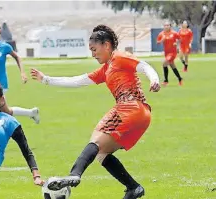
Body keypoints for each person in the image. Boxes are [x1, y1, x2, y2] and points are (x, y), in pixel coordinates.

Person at [31, 24, 161, 199]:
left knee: (96, 140)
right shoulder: (106, 69)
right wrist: (46, 79)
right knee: (101, 154)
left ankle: (74, 175)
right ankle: (133, 188)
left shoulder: (120, 57)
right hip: (142, 115)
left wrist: (155, 79)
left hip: (130, 108)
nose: (93, 54)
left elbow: (144, 66)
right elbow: (78, 81)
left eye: (94, 49)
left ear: (106, 45)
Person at [157, 21, 183, 86]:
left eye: (168, 25)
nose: (166, 26)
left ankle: (166, 81)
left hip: (172, 53)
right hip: (166, 53)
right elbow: (158, 42)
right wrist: (161, 41)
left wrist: (176, 43)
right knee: (172, 66)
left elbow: (180, 39)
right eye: (165, 25)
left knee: (164, 64)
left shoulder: (174, 33)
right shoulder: (161, 34)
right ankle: (180, 78)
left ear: (170, 26)